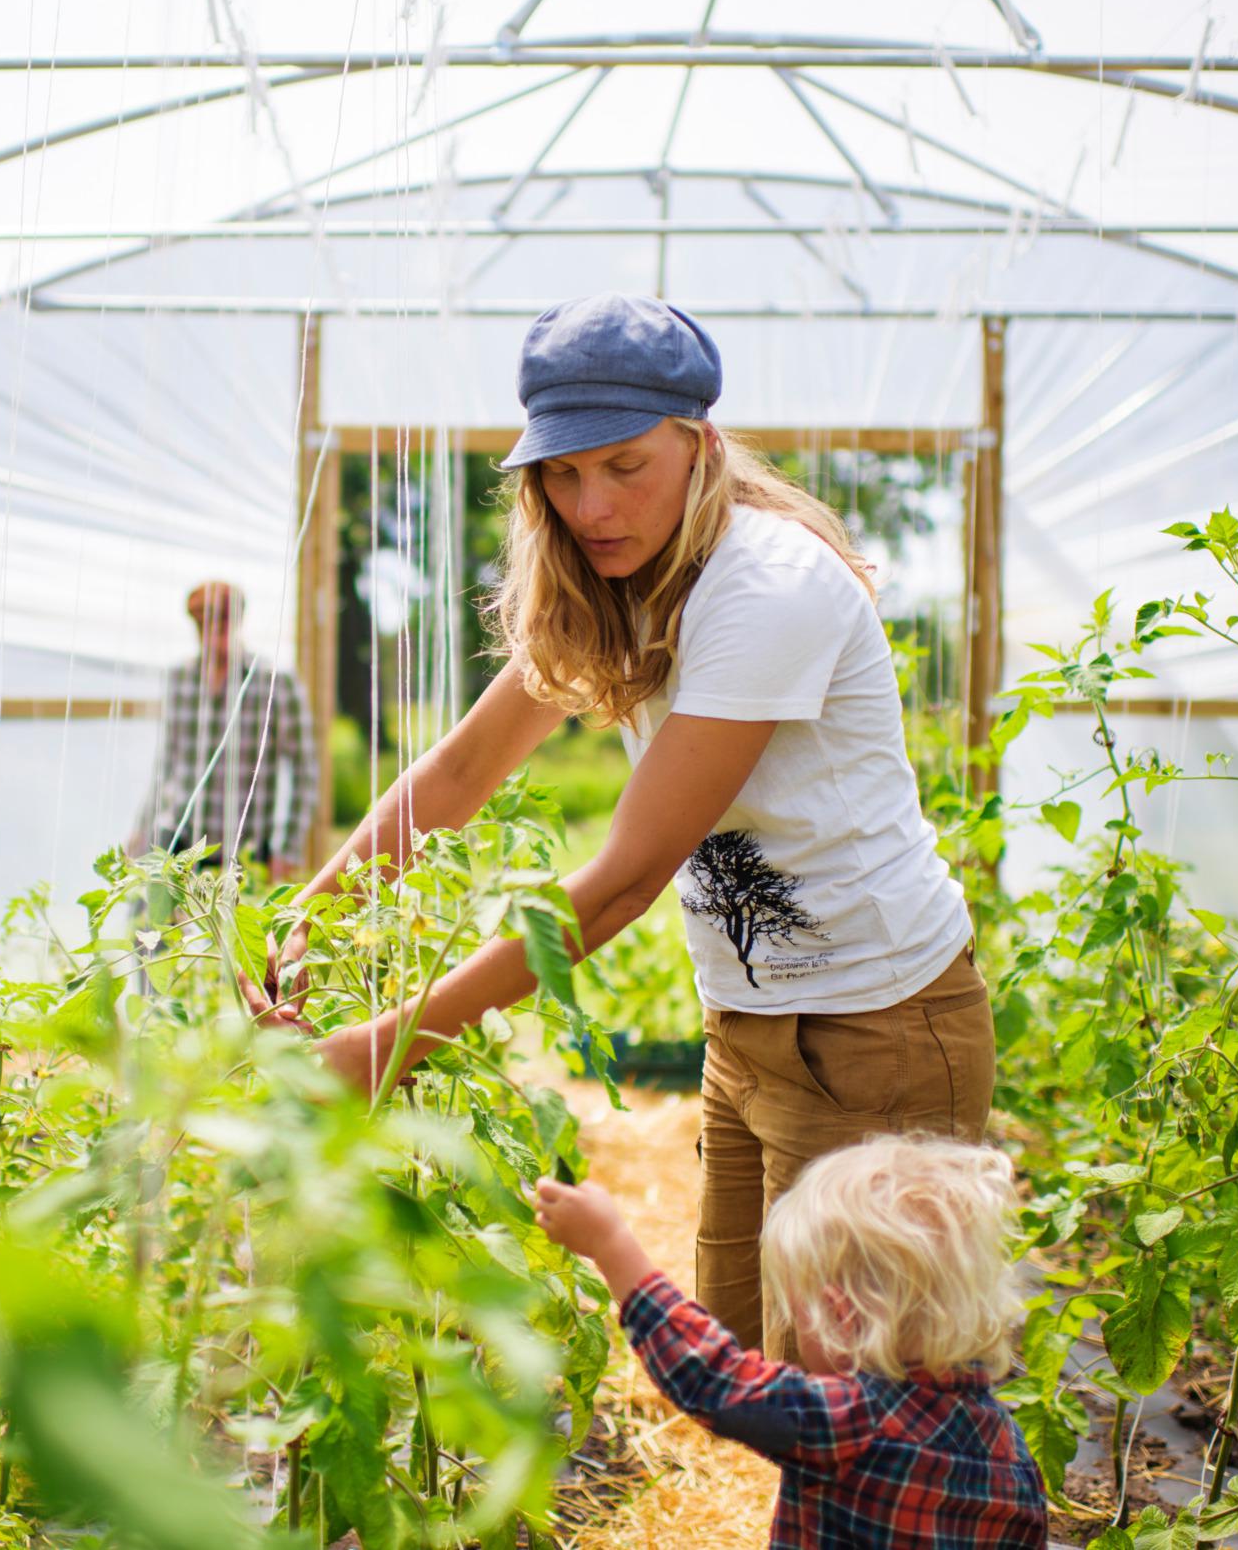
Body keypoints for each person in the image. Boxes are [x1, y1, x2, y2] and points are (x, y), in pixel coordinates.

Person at [264, 293, 989, 1359]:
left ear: (695, 447)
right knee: (751, 1349)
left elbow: (622, 876)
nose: (588, 503)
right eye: (560, 472)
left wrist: (393, 1042)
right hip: (748, 1022)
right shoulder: (619, 582)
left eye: (621, 465)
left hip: (878, 1025)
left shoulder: (764, 584)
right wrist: (303, 923)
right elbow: (460, 767)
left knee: (861, 1406)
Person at [532, 1135, 1048, 1547]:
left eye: (796, 1309)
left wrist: (611, 1245)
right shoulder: (1011, 1452)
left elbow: (713, 1382)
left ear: (841, 1318)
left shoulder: (853, 1422)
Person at [133, 580, 321, 882]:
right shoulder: (180, 678)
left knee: (235, 927)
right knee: (153, 925)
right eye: (204, 623)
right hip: (177, 839)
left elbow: (304, 771)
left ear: (237, 622)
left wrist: (288, 850)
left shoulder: (273, 682)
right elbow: (166, 762)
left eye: (221, 621)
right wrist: (142, 828)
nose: (212, 633)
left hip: (245, 848)